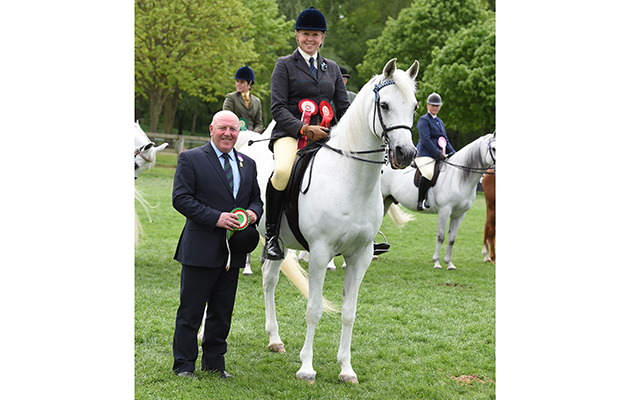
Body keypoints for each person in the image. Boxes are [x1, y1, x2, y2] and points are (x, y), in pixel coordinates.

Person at [171, 110, 263, 379]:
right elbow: (181, 199)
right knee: (191, 312)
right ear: (211, 128)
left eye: (233, 129)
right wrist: (217, 218)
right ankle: (184, 365)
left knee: (222, 313)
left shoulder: (248, 163)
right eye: (223, 127)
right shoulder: (191, 158)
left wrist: (254, 213)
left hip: (232, 253)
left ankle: (214, 365)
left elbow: (256, 199)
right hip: (200, 249)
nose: (228, 133)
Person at [264, 7, 350, 260]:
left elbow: (343, 108)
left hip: (326, 135)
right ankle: (272, 236)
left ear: (323, 37)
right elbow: (277, 108)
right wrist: (303, 128)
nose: (310, 39)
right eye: (305, 34)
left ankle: (358, 233)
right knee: (282, 172)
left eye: (315, 34)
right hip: (290, 133)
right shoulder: (284, 65)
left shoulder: (331, 68)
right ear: (297, 35)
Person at [415, 92, 456, 211]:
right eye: (432, 105)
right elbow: (426, 140)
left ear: (440, 107)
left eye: (437, 106)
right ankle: (420, 200)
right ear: (428, 106)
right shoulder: (424, 120)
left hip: (438, 155)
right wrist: (438, 154)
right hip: (425, 154)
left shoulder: (440, 122)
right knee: (428, 173)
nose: (435, 107)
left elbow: (445, 141)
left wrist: (455, 154)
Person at [223, 65, 264, 133]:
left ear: (249, 83)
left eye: (242, 82)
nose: (238, 84)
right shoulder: (230, 97)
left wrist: (255, 132)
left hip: (251, 137)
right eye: (237, 81)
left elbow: (258, 123)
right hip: (235, 134)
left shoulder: (257, 101)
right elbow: (226, 118)